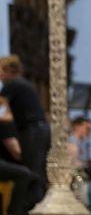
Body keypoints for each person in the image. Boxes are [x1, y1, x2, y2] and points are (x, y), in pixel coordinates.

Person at [0, 55, 50, 195]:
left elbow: (1, 105)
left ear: (7, 70)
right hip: (41, 129)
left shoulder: (11, 84)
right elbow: (9, 114)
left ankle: (34, 203)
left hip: (32, 131)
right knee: (38, 169)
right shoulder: (23, 84)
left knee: (32, 170)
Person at [0, 96, 43, 215]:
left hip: (8, 163)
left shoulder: (19, 127)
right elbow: (17, 153)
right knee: (25, 174)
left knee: (36, 176)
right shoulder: (6, 124)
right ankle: (15, 213)